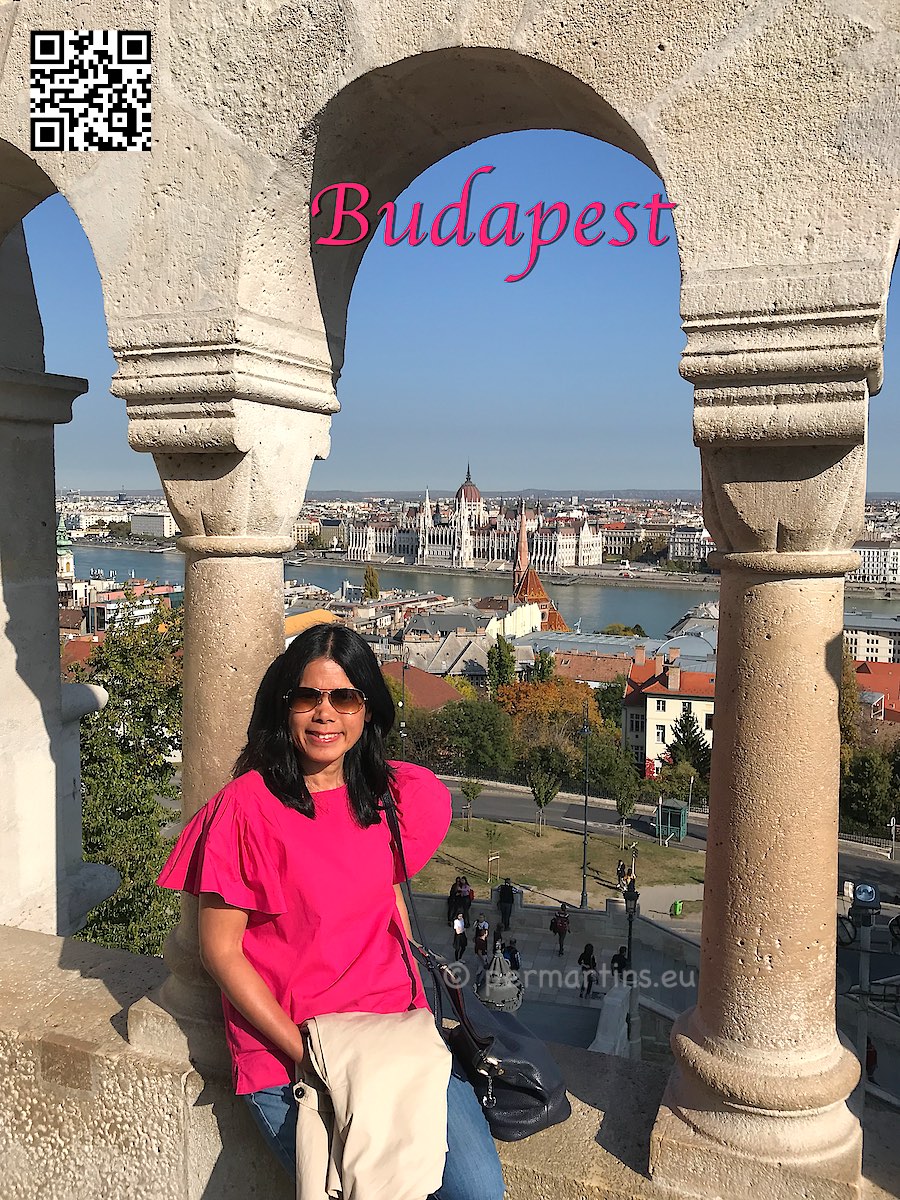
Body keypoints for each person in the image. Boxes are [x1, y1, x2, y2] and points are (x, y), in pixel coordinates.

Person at [156, 623, 505, 1199]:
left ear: (367, 710)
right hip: (293, 1047)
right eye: (307, 697)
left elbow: (380, 886)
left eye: (345, 698)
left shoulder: (387, 798)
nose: (325, 714)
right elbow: (219, 951)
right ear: (284, 706)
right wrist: (307, 1056)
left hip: (395, 1035)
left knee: (477, 1191)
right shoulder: (246, 809)